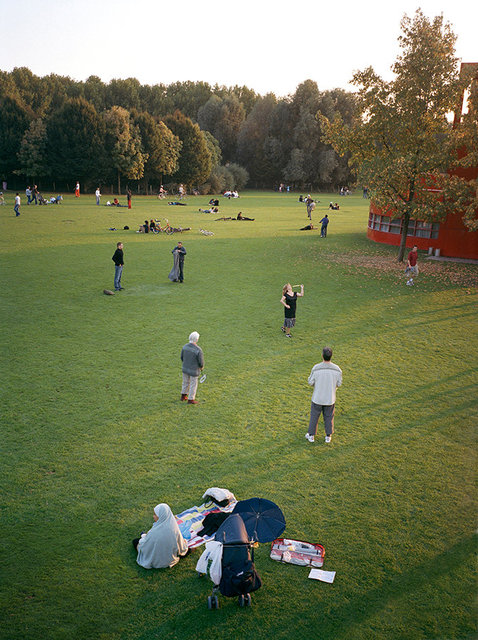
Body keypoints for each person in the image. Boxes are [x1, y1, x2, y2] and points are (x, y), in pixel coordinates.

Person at [133, 503, 189, 569]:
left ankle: (143, 535)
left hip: (157, 559)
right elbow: (180, 545)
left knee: (136, 541)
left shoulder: (153, 532)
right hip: (170, 558)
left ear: (161, 516)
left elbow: (145, 546)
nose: (153, 516)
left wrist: (143, 538)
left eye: (155, 514)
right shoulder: (174, 527)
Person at [305, 347, 342, 444]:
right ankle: (328, 436)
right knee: (329, 416)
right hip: (330, 398)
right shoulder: (337, 369)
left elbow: (310, 382)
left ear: (322, 355)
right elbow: (339, 383)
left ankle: (311, 435)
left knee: (314, 416)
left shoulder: (316, 368)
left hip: (317, 397)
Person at [180, 331, 204, 404]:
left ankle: (183, 396)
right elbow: (200, 361)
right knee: (193, 384)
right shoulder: (198, 350)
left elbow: (182, 357)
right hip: (194, 370)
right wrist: (201, 367)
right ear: (196, 339)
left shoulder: (184, 347)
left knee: (185, 382)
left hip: (185, 368)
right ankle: (191, 399)